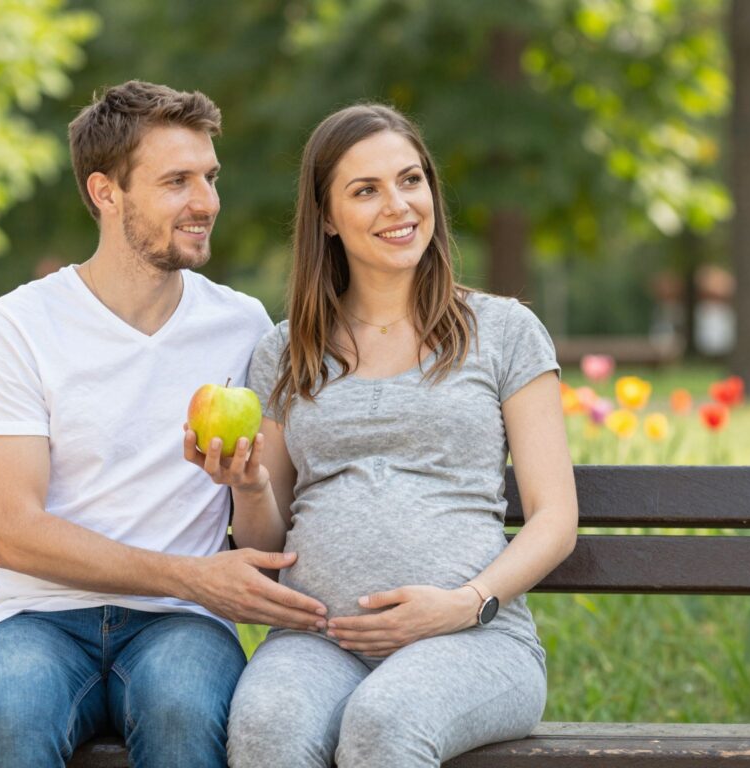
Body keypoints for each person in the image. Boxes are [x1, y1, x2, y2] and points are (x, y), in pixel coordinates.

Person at [186, 104, 579, 767]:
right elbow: (266, 545)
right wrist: (250, 487)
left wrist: (463, 606)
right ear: (328, 219)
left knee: (384, 723)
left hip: (476, 640)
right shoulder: (283, 353)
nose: (399, 206)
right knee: (265, 724)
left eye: (410, 180)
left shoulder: (503, 330)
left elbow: (555, 517)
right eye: (366, 190)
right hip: (317, 640)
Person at [0, 80, 327, 768]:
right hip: (38, 619)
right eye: (177, 181)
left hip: (181, 628)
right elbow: (15, 533)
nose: (206, 202)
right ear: (106, 192)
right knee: (12, 718)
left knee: (182, 714)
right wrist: (191, 575)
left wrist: (246, 488)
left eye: (210, 177)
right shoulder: (17, 326)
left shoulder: (241, 325)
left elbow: (264, 535)